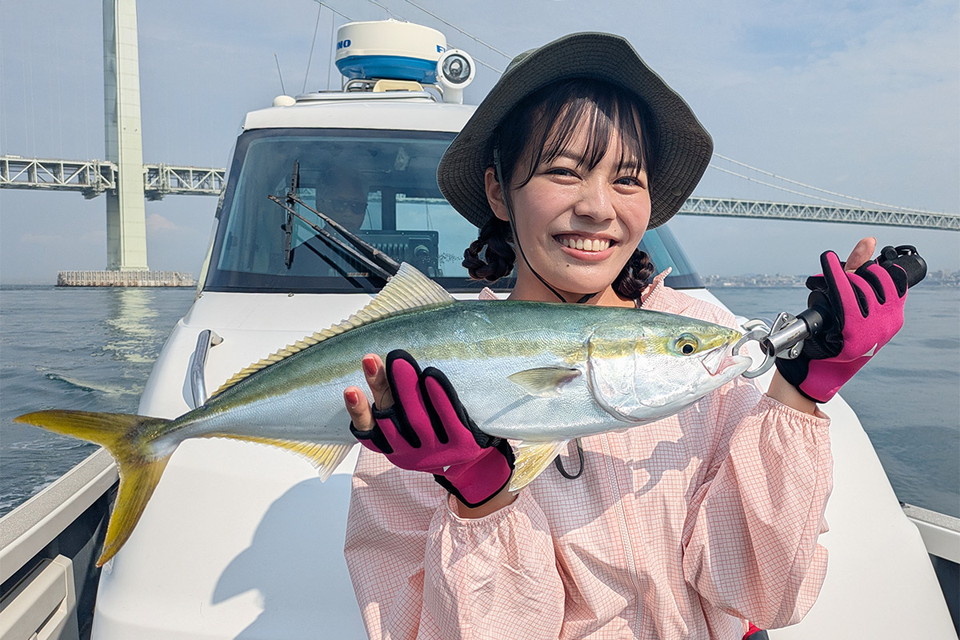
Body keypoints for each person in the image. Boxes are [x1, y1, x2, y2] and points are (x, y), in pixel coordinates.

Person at [341, 32, 908, 639]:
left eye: (628, 180)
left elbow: (760, 594)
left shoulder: (703, 339)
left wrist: (800, 392)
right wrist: (479, 498)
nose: (597, 207)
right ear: (498, 191)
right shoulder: (414, 386)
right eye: (563, 171)